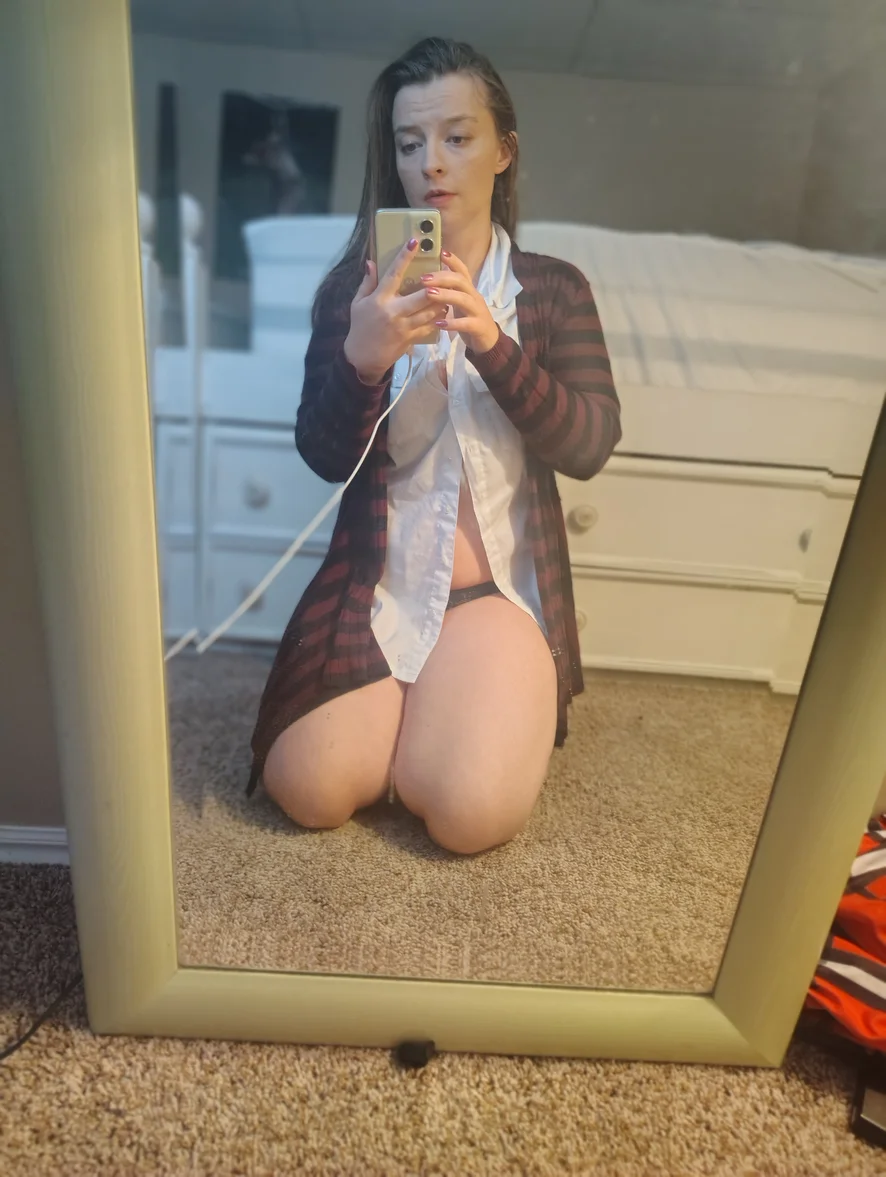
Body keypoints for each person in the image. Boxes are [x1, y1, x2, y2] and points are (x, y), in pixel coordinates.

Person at [245, 36, 621, 855]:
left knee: (468, 815)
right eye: (410, 143)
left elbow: (591, 443)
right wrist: (363, 359)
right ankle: (411, 727)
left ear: (503, 150)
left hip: (495, 597)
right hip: (373, 584)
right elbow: (323, 454)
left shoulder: (553, 290)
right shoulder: (357, 292)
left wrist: (493, 345)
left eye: (457, 137)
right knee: (307, 789)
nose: (432, 163)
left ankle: (445, 721)